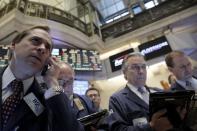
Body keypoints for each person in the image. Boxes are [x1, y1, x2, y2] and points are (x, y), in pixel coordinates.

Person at [0, 25, 84, 131]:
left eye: (47, 47)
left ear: (47, 60)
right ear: (13, 45)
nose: (43, 48)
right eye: (35, 40)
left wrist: (53, 82)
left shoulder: (40, 101)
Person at [108, 52, 173, 131]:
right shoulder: (116, 99)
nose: (141, 71)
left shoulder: (159, 92)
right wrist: (150, 127)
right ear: (125, 73)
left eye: (143, 67)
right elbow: (118, 129)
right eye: (135, 67)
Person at [165, 50, 197, 130]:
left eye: (188, 64)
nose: (188, 69)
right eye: (182, 67)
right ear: (170, 70)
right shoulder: (170, 97)